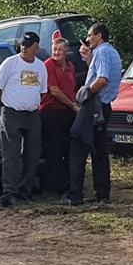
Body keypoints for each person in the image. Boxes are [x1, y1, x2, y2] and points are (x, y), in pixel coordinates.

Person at [67, 22, 123, 205]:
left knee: (78, 146)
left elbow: (102, 78)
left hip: (95, 105)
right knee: (99, 150)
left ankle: (75, 195)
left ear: (99, 36)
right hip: (104, 106)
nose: (88, 38)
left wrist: (86, 93)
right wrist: (88, 60)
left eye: (90, 35)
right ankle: (102, 193)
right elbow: (100, 71)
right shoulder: (109, 52)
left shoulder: (102, 52)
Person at [0, 32, 49, 209]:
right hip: (12, 114)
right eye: (22, 44)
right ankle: (9, 194)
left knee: (31, 155)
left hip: (32, 115)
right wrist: (6, 106)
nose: (24, 48)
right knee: (11, 156)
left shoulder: (40, 67)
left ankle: (25, 191)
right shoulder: (10, 63)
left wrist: (30, 103)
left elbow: (42, 91)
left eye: (28, 45)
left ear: (36, 47)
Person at [39, 34, 84, 196]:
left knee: (66, 148)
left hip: (67, 112)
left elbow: (71, 87)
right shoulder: (48, 65)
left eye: (60, 49)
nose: (56, 52)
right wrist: (72, 105)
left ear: (66, 52)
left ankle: (64, 183)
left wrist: (75, 103)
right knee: (53, 150)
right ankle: (53, 186)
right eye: (54, 49)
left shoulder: (70, 66)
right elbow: (54, 90)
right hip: (51, 113)